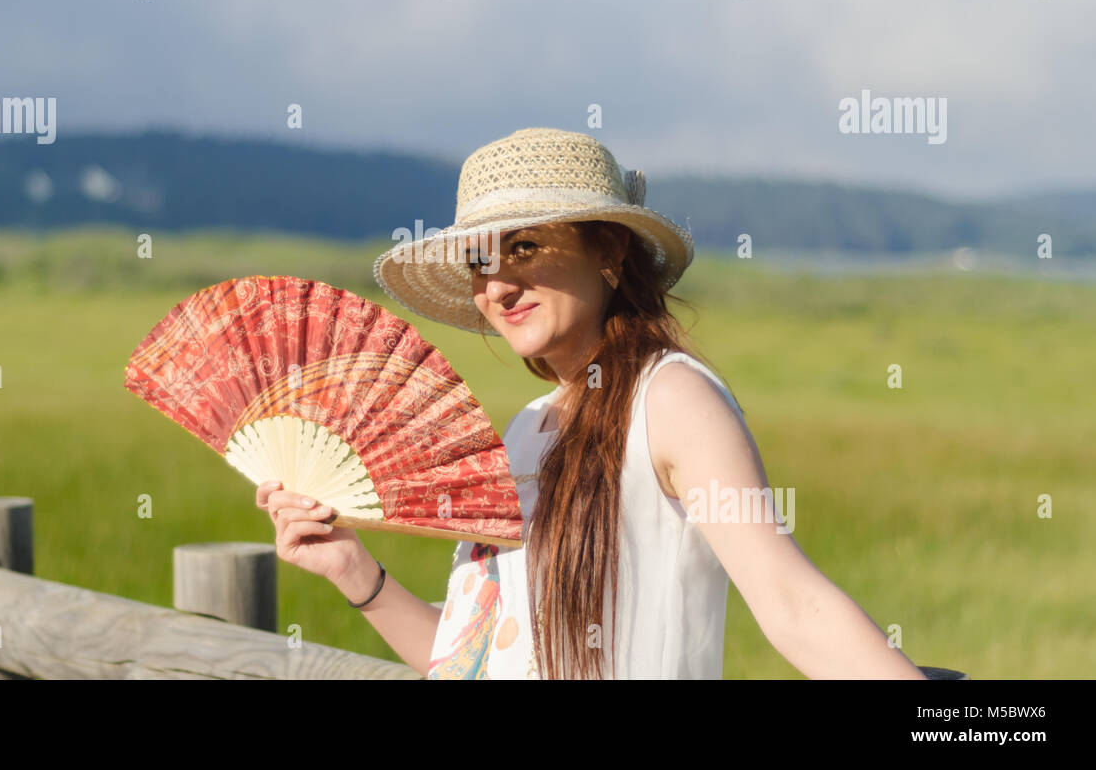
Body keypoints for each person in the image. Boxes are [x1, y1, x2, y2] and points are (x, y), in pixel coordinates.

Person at [256, 126, 928, 680]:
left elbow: (792, 603)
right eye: (481, 262)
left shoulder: (672, 400)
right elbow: (477, 659)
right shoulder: (526, 429)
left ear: (607, 251)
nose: (499, 285)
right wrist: (351, 567)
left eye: (524, 246)